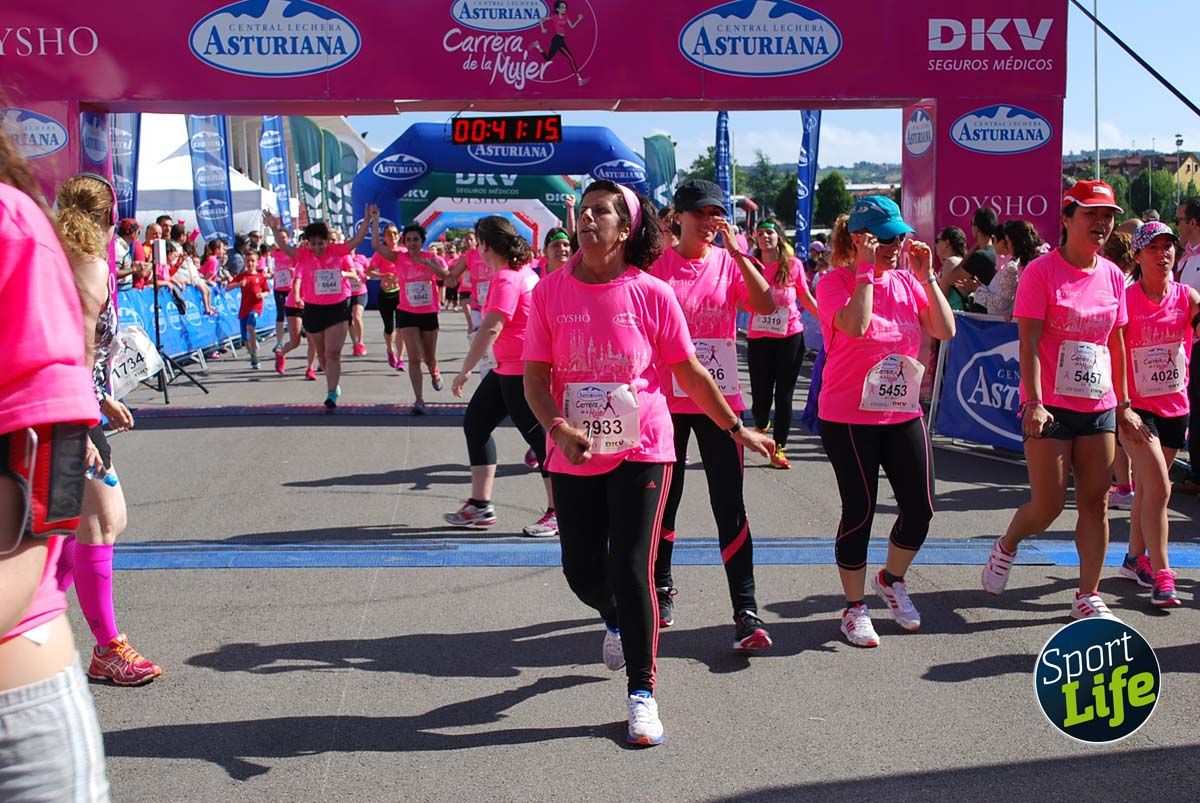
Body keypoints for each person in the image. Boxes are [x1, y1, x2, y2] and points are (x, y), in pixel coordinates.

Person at [523, 179, 773, 745]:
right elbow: (536, 378)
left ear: (627, 227)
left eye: (602, 213)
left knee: (635, 566)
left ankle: (642, 692)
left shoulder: (651, 294)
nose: (588, 221)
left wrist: (738, 429)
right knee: (582, 570)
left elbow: (689, 374)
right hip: (575, 448)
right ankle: (612, 614)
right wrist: (557, 428)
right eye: (584, 212)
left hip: (644, 448)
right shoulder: (549, 292)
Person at [0, 133, 112, 802]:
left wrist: (92, 399)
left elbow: (52, 493)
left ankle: (109, 637)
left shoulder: (13, 229)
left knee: (106, 519)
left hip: (15, 701)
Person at [982, 180, 1145, 619]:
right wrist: (1033, 401)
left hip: (1098, 404)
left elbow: (1117, 343)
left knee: (1095, 500)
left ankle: (1087, 594)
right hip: (1050, 406)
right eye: (1091, 214)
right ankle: (1008, 544)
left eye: (1108, 216)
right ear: (1067, 219)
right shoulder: (1041, 272)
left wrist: (1125, 403)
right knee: (1049, 504)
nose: (1102, 223)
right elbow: (1029, 344)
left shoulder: (1113, 275)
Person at [817, 196, 955, 647]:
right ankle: (853, 608)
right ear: (861, 240)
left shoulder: (905, 281)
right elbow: (855, 326)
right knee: (860, 510)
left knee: (921, 508)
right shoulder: (834, 282)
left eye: (901, 236)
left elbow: (945, 329)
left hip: (901, 412)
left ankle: (892, 579)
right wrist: (863, 270)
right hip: (848, 416)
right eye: (887, 238)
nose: (898, 245)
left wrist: (929, 276)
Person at [646, 180, 776, 650]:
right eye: (699, 213)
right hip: (667, 402)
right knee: (666, 500)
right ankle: (660, 587)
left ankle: (746, 611)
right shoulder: (657, 267)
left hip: (720, 401)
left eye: (716, 212)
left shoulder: (728, 261)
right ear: (678, 217)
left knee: (730, 505)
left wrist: (739, 250)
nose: (708, 221)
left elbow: (764, 305)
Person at [55, 174, 164, 687]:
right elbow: (71, 348)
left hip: (72, 401)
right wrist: (87, 411)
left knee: (105, 519)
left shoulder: (61, 258)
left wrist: (99, 397)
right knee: (96, 521)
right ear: (106, 218)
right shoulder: (90, 267)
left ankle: (31, 622)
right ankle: (107, 649)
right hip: (64, 408)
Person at [447, 216, 556, 537]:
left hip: (523, 371)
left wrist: (464, 370)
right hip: (508, 368)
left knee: (540, 440)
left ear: (484, 245)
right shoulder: (521, 272)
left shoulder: (508, 278)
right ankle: (480, 505)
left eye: (477, 243)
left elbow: (492, 325)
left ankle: (559, 512)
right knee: (476, 424)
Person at [1115, 221, 1194, 607]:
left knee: (1148, 488)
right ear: (1138, 256)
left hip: (1175, 408)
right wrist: (1121, 405)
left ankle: (1133, 558)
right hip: (1136, 410)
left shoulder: (1188, 298)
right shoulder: (1125, 300)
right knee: (1161, 488)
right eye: (1153, 248)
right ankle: (1163, 574)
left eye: (1169, 248)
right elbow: (1110, 352)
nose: (1163, 254)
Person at [264, 214, 369, 408]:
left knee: (333, 352)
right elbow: (285, 247)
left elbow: (357, 240)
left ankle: (331, 393)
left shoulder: (337, 251)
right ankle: (332, 383)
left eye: (320, 243)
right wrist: (273, 228)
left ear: (327, 241)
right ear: (308, 243)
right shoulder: (304, 255)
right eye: (313, 244)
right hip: (313, 309)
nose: (317, 247)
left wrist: (369, 220)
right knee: (321, 355)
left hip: (337, 308)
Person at [747, 217, 820, 470]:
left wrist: (829, 320)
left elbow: (805, 297)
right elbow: (737, 299)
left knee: (785, 394)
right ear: (755, 239)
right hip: (759, 337)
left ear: (779, 237)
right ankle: (760, 419)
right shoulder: (750, 265)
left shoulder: (792, 265)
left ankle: (779, 447)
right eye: (761, 233)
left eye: (770, 233)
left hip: (790, 335)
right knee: (760, 395)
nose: (765, 237)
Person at [368, 209, 447, 415]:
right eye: (409, 239)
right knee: (414, 358)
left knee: (429, 358)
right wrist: (376, 220)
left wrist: (429, 264)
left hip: (428, 313)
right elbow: (376, 245)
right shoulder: (398, 258)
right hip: (407, 313)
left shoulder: (430, 257)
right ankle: (419, 399)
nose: (412, 243)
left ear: (422, 241)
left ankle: (435, 371)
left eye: (416, 239)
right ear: (405, 241)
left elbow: (446, 277)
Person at [1170, 198, 1200, 492]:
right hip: (1185, 346)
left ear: (1193, 223)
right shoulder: (1185, 257)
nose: (1176, 225)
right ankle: (1195, 472)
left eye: (1178, 220)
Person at [974, 219, 1046, 320]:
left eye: (1008, 241)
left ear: (1016, 242)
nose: (1007, 246)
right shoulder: (1024, 262)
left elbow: (1037, 296)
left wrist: (977, 290)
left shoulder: (1038, 262)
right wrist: (1015, 312)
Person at [367, 223, 407, 370]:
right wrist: (384, 275)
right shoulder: (380, 254)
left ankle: (401, 358)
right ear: (384, 238)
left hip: (401, 293)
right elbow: (369, 272)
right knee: (389, 328)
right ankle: (390, 350)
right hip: (385, 294)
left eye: (395, 233)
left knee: (401, 327)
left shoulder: (403, 252)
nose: (393, 236)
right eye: (389, 234)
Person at [228, 249, 270, 369]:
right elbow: (227, 288)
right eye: (248, 261)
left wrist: (262, 295)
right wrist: (237, 284)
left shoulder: (260, 277)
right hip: (244, 308)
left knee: (251, 324)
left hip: (256, 306)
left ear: (257, 263)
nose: (250, 263)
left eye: (252, 261)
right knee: (244, 339)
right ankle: (253, 356)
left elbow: (267, 291)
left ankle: (254, 340)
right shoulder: (242, 276)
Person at [534, 1, 587, 86]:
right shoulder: (554, 17)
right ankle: (579, 79)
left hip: (560, 40)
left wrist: (579, 19)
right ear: (557, 9)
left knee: (548, 59)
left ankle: (537, 46)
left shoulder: (566, 17)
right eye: (562, 7)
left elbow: (572, 26)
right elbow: (541, 19)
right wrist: (542, 29)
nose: (564, 9)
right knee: (570, 58)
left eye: (565, 7)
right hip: (557, 40)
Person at [934, 226, 974, 311]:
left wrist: (931, 283)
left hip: (955, 317)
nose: (935, 245)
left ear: (947, 243)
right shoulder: (959, 261)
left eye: (937, 241)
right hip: (960, 317)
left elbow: (941, 298)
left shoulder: (950, 262)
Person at [348, 251, 369, 357]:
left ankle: (360, 342)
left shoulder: (361, 258)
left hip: (360, 292)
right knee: (349, 321)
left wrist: (365, 275)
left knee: (357, 316)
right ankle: (355, 343)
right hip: (346, 293)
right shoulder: (343, 259)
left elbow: (369, 271)